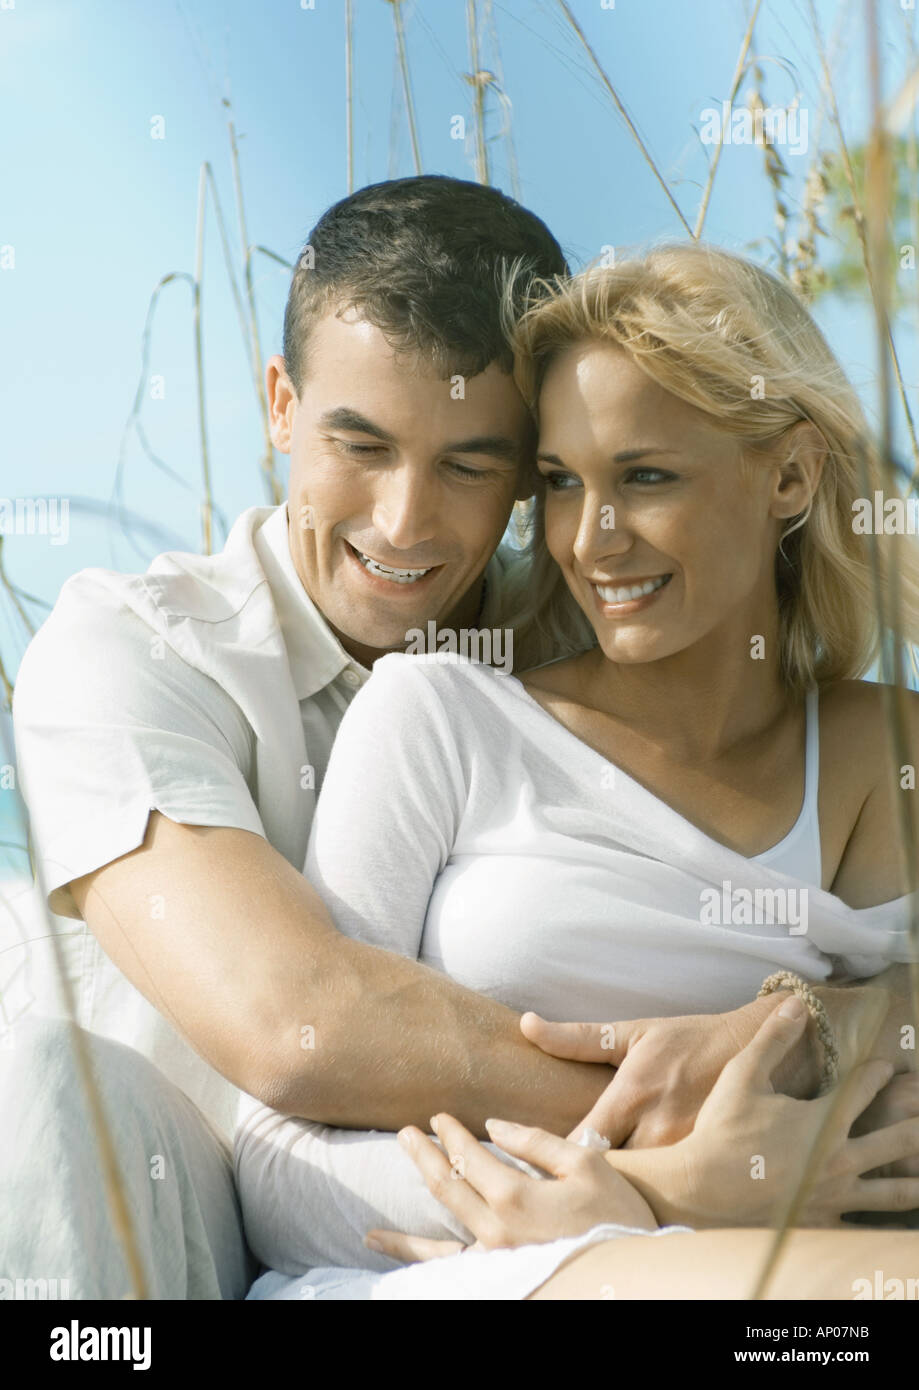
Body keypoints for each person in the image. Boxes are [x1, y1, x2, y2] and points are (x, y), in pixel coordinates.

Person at [235, 244, 919, 1300]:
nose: (591, 541)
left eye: (645, 477)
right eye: (559, 483)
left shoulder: (885, 755)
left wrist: (832, 1020)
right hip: (504, 1270)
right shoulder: (443, 715)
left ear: (788, 474)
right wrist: (656, 1194)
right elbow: (275, 1165)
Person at [3, 175, 621, 1300]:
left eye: (470, 464)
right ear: (281, 404)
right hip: (183, 1216)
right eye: (362, 445)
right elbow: (294, 1027)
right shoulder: (131, 650)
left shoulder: (596, 645)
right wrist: (688, 1128)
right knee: (39, 1084)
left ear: (531, 467)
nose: (404, 522)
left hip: (495, 1218)